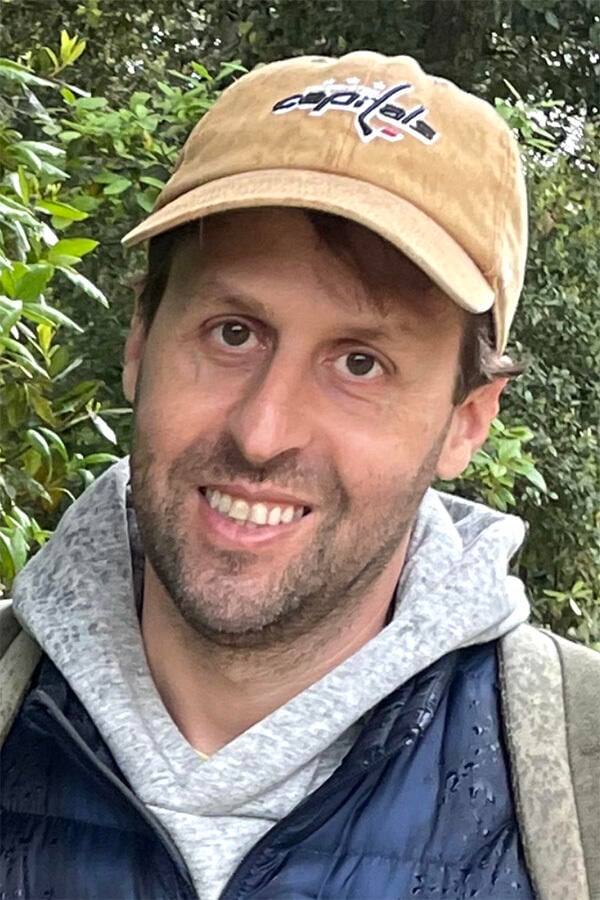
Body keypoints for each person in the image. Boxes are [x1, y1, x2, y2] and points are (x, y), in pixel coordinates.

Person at [1, 52, 598, 900]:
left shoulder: (576, 787)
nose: (262, 431)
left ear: (467, 419)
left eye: (361, 361)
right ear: (140, 342)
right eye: (233, 333)